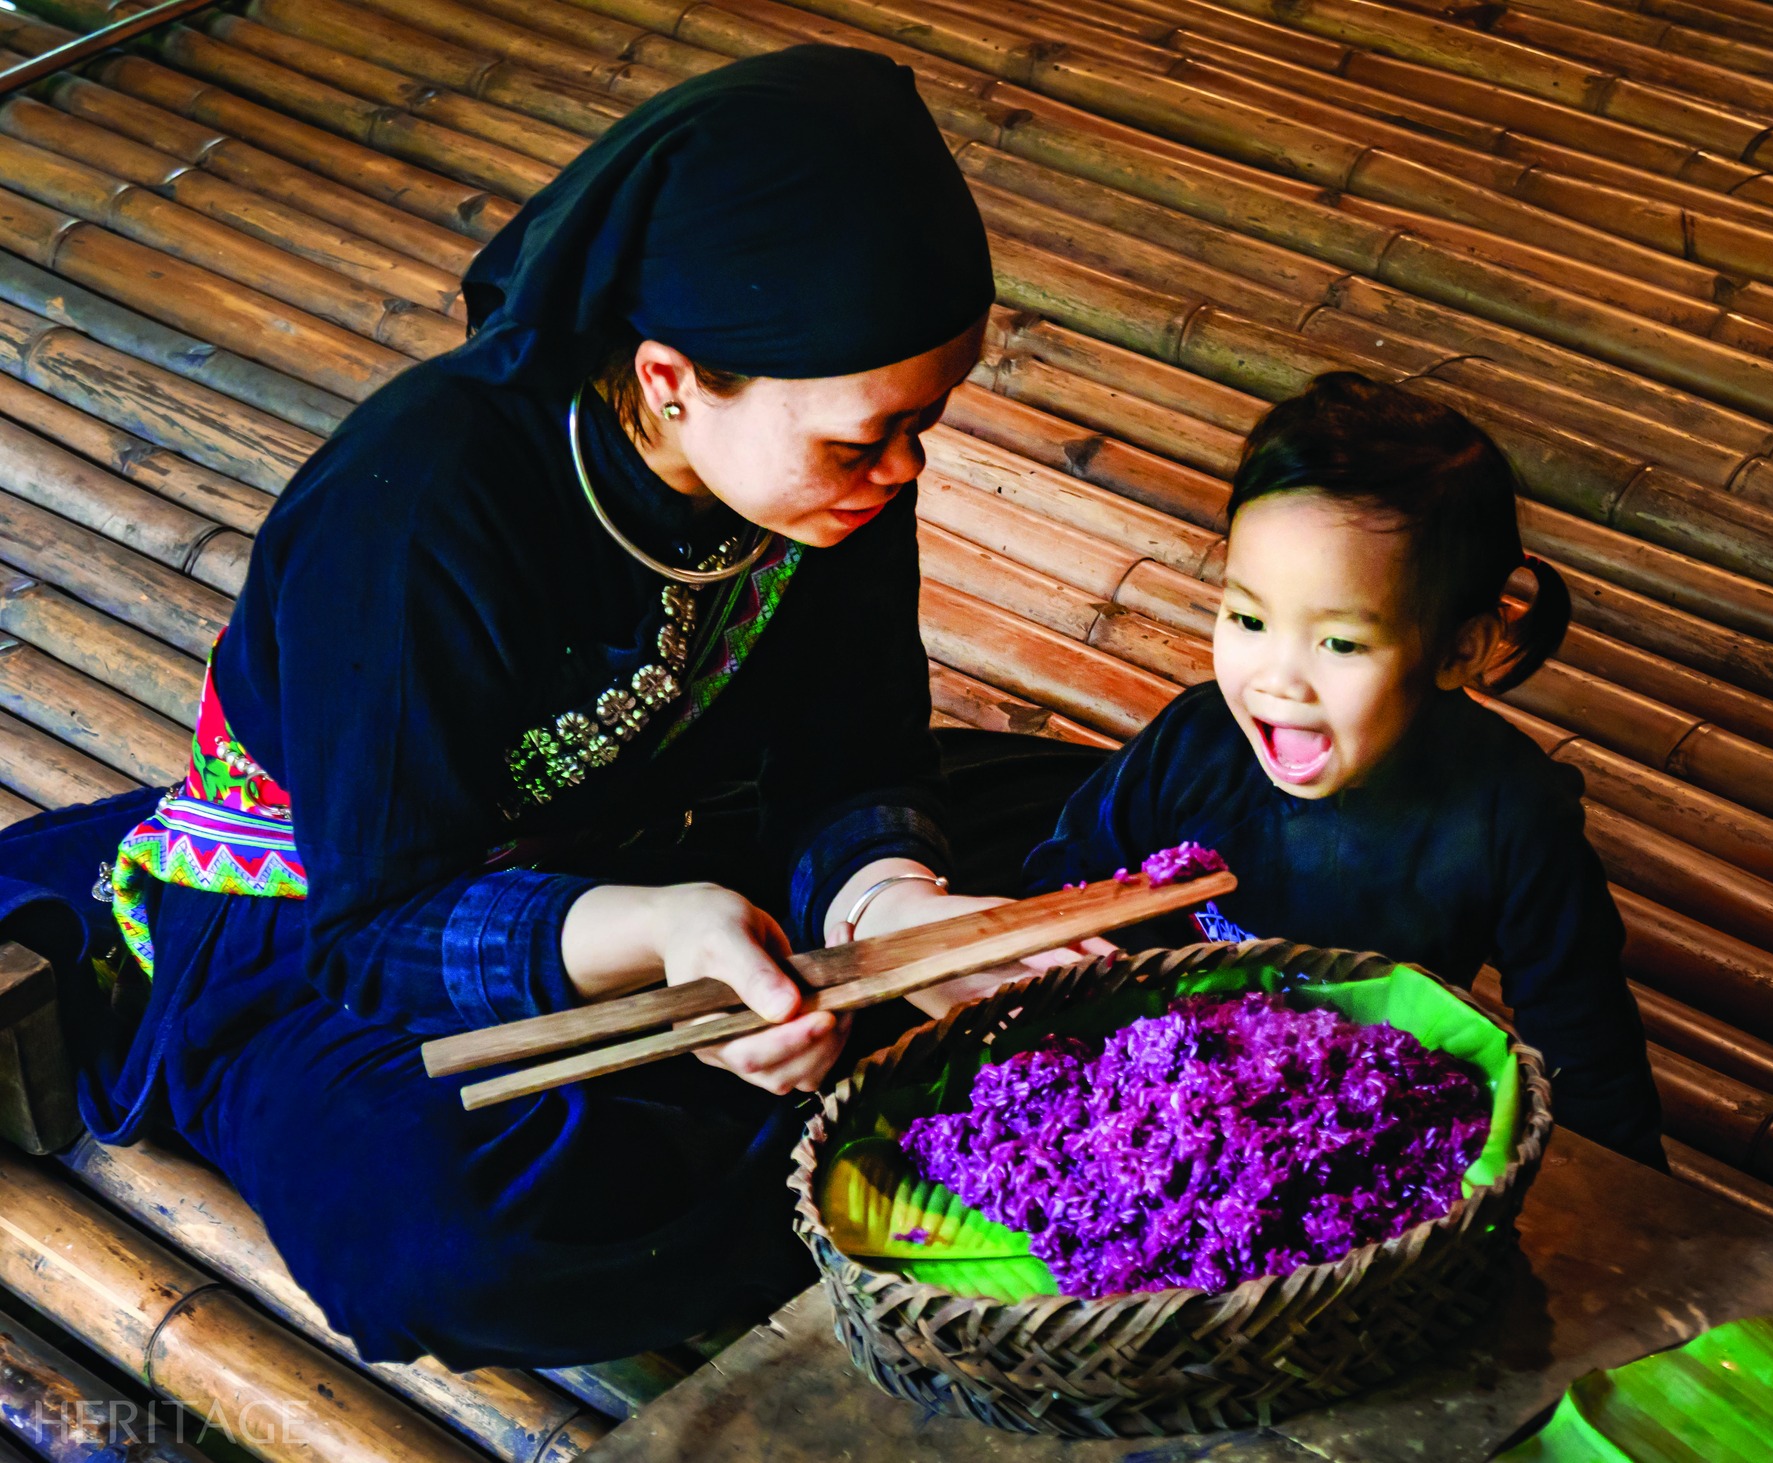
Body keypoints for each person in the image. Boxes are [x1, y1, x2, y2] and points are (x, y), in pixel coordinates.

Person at [0, 46, 1087, 1369]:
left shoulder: (838, 464)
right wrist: (662, 929)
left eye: (929, 421)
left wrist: (886, 907)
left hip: (676, 828)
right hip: (354, 915)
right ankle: (883, 1124)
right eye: (868, 438)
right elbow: (379, 920)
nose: (903, 467)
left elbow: (851, 745)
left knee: (1119, 839)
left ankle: (834, 1086)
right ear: (675, 377)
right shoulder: (419, 507)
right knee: (453, 1230)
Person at [1022, 373, 1667, 1169]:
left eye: (1340, 643)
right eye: (1250, 619)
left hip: (1353, 1132)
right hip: (1151, 1104)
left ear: (1458, 648)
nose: (1278, 680)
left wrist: (1622, 1210)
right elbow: (1061, 894)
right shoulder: (1194, 745)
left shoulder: (1510, 816)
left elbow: (1588, 1054)